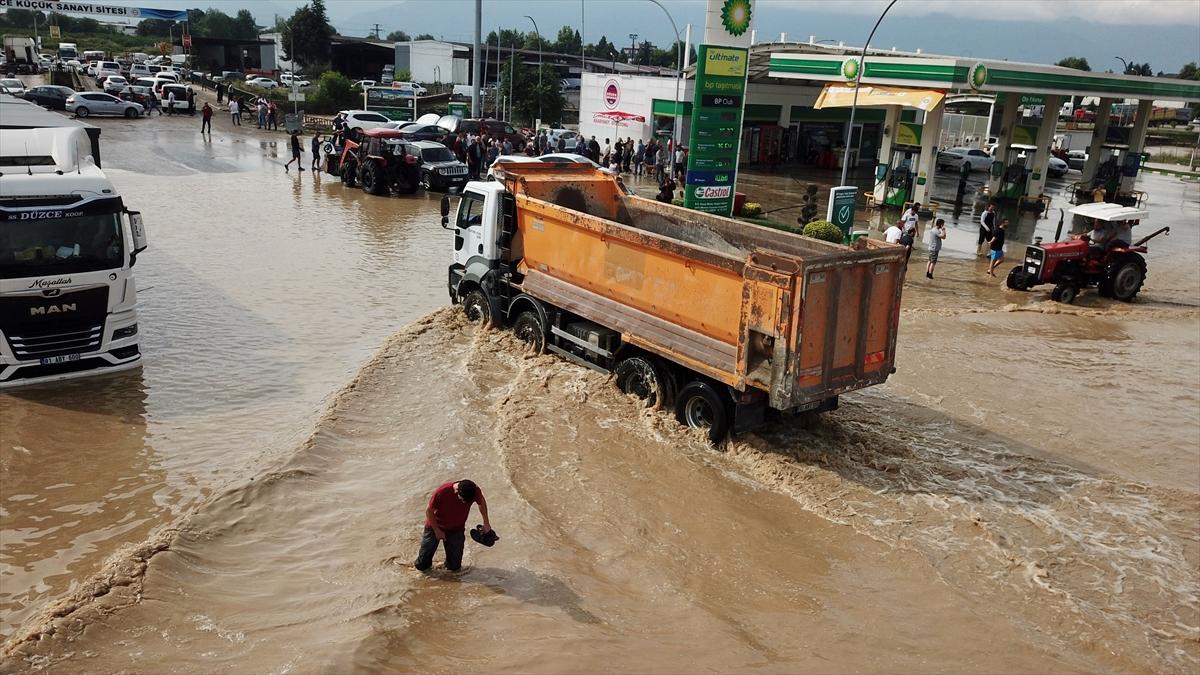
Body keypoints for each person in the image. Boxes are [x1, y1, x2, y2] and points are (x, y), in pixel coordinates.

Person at [414, 479, 491, 573]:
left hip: (456, 529)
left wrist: (486, 523)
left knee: (454, 568)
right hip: (435, 526)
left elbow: (481, 502)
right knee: (422, 565)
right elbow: (429, 511)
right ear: (456, 491)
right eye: (462, 500)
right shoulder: (442, 491)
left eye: (468, 502)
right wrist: (437, 531)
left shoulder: (474, 491)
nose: (465, 503)